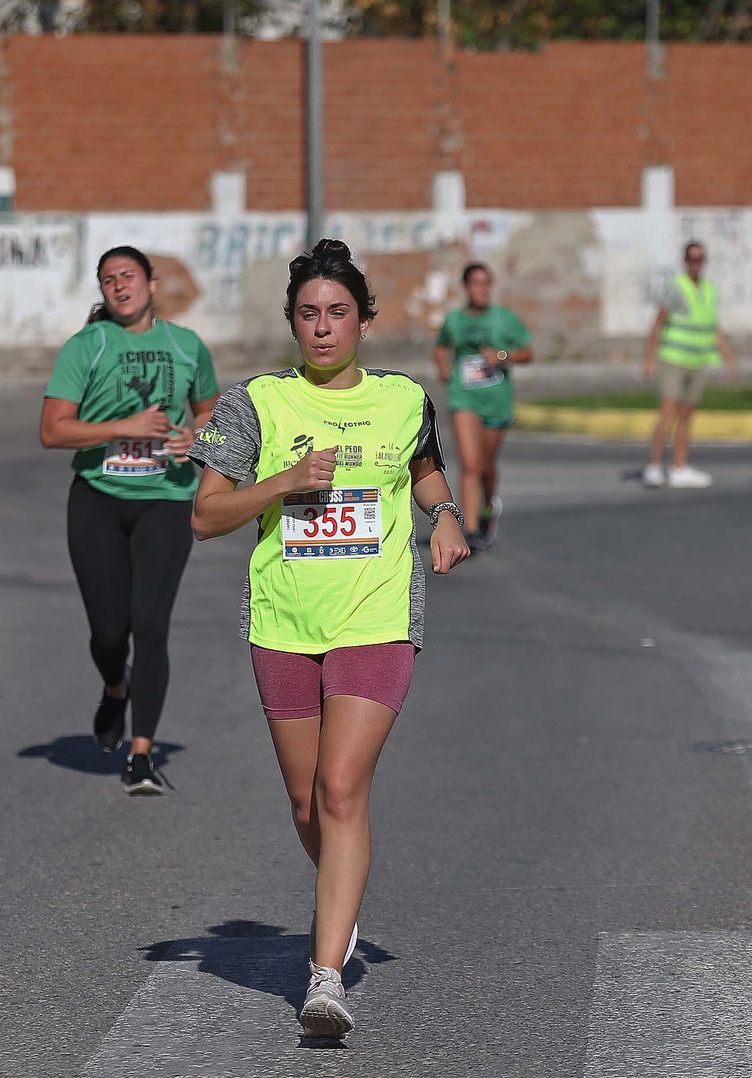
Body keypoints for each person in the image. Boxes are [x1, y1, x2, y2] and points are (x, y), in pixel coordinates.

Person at [189, 239, 470, 1039]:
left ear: (364, 321)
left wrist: (444, 514)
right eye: (308, 314)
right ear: (292, 322)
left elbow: (422, 468)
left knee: (344, 787)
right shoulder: (254, 405)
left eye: (337, 313)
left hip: (376, 615)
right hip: (283, 620)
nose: (322, 328)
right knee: (309, 800)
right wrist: (280, 483)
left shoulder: (404, 399)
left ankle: (324, 978)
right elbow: (205, 517)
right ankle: (344, 884)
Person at [39, 246, 219, 795]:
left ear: (151, 283)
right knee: (109, 631)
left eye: (128, 276)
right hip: (97, 497)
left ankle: (141, 755)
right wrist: (124, 426)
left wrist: (199, 442)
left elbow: (211, 411)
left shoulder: (187, 347)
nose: (119, 286)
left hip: (165, 497)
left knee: (151, 623)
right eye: (108, 279)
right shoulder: (86, 347)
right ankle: (115, 686)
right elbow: (53, 431)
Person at [433, 263, 532, 549]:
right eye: (477, 283)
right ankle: (472, 530)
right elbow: (441, 346)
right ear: (466, 287)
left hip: (497, 400)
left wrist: (502, 355)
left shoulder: (504, 319)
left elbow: (528, 352)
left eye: (487, 283)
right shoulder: (453, 320)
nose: (483, 289)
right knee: (470, 465)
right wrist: (442, 365)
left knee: (487, 467)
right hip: (463, 396)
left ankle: (488, 506)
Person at [642, 241, 737, 489]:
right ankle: (653, 466)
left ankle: (679, 467)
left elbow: (711, 327)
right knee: (667, 414)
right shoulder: (677, 288)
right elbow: (658, 323)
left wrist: (728, 357)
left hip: (697, 361)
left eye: (701, 259)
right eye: (692, 259)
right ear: (685, 261)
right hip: (673, 360)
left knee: (686, 417)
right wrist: (649, 359)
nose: (697, 263)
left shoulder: (709, 290)